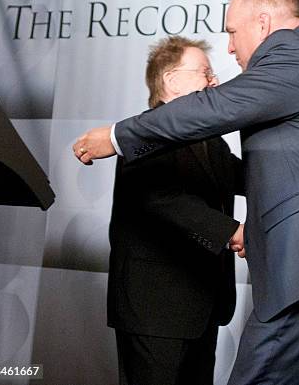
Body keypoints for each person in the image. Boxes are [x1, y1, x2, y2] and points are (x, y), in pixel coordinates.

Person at [74, 0, 299, 384]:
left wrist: (117, 136)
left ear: (264, 21)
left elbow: (219, 107)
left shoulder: (292, 49)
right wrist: (239, 230)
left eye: (233, 33)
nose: (231, 48)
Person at [107, 36, 244, 385]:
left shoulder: (212, 140)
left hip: (204, 307)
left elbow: (246, 178)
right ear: (171, 80)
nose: (214, 81)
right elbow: (160, 198)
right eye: (205, 72)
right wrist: (231, 232)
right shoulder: (141, 133)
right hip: (154, 309)